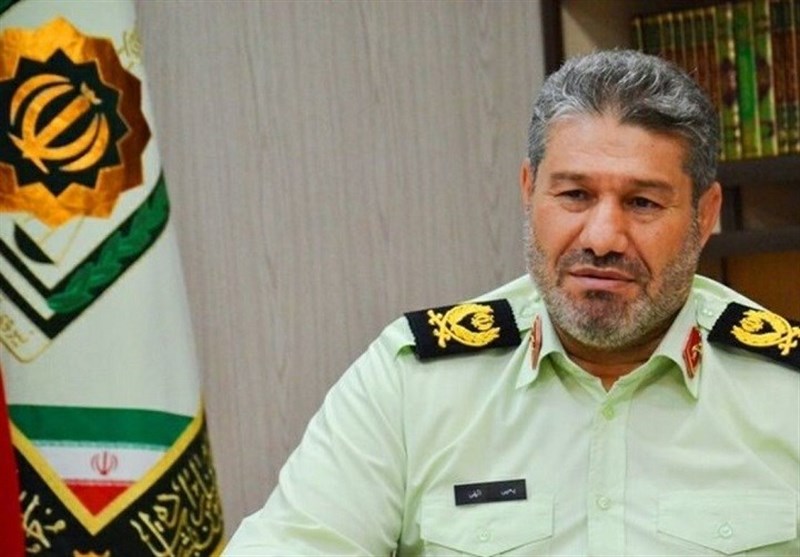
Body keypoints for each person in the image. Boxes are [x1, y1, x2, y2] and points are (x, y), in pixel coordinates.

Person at [223, 50, 799, 556]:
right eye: (575, 194)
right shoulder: (413, 380)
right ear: (529, 191)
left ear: (704, 214)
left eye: (642, 203)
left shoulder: (786, 389)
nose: (602, 237)